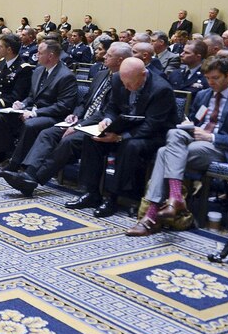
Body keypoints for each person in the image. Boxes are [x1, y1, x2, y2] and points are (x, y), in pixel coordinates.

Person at [127, 56, 228, 236]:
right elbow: (192, 121)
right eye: (208, 78)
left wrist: (211, 137)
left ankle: (151, 216)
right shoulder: (203, 95)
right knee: (173, 135)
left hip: (221, 148)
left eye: (215, 78)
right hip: (191, 143)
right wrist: (188, 125)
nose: (211, 82)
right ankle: (175, 199)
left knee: (164, 152)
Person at [0, 42, 131, 196]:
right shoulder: (101, 74)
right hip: (80, 120)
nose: (104, 56)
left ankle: (33, 178)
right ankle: (28, 173)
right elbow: (85, 101)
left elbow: (107, 111)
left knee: (67, 140)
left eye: (109, 55)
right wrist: (76, 115)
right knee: (48, 133)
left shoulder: (125, 80)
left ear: (120, 60)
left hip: (98, 125)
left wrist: (80, 123)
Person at [65, 57, 177, 217]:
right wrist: (107, 120)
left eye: (130, 84)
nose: (126, 86)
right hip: (122, 126)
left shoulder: (161, 89)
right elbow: (112, 106)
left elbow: (153, 125)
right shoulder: (118, 78)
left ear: (143, 75)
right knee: (92, 139)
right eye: (124, 82)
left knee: (130, 146)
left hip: (152, 135)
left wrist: (120, 138)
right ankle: (91, 193)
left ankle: (113, 197)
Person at [0, 40, 77, 168]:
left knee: (30, 125)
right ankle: (8, 156)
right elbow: (32, 96)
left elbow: (63, 106)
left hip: (52, 116)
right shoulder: (38, 70)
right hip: (33, 110)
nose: (36, 55)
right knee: (1, 117)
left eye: (40, 53)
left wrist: (35, 113)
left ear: (51, 56)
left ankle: (15, 164)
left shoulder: (65, 76)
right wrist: (22, 104)